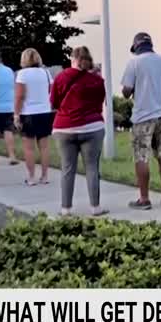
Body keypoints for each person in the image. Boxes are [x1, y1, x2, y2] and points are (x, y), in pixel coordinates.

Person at [51, 46, 108, 216]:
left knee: (67, 168)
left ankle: (66, 209)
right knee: (92, 167)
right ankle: (96, 208)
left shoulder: (61, 77)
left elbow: (54, 102)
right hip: (92, 127)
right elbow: (100, 103)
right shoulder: (97, 80)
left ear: (73, 58)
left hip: (64, 128)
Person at [121, 32, 161, 210]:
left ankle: (144, 199)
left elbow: (126, 91)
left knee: (142, 157)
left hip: (143, 117)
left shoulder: (134, 62)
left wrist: (135, 87)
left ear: (136, 47)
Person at [14, 48, 54, 185]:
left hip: (28, 113)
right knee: (44, 147)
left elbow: (20, 96)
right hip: (44, 111)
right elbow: (51, 91)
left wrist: (16, 115)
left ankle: (31, 177)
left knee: (29, 148)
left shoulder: (22, 74)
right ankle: (45, 176)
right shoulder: (46, 73)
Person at [0, 51, 19, 166]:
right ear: (0, 58)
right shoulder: (9, 70)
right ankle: (12, 156)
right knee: (8, 131)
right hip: (8, 106)